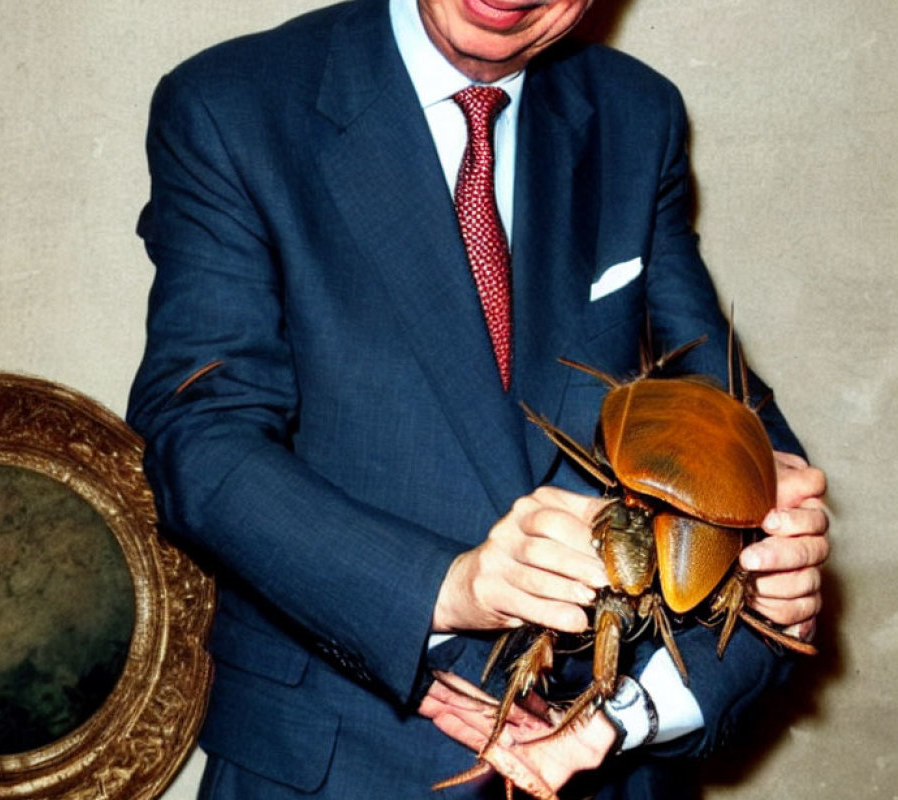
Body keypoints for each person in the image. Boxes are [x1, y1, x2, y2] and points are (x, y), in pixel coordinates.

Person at [127, 0, 829, 797]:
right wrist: (447, 588)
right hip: (337, 766)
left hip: (604, 769)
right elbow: (202, 442)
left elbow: (744, 444)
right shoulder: (232, 104)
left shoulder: (639, 116)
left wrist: (636, 708)